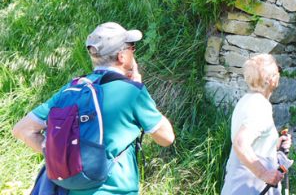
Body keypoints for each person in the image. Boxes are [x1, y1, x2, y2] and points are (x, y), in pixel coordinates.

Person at [12, 21, 175, 195]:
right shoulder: (131, 92)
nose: (133, 52)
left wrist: (61, 155)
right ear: (122, 56)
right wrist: (138, 89)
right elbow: (166, 138)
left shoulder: (70, 90)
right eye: (131, 48)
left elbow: (22, 130)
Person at [221, 53, 291, 195]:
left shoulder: (247, 100)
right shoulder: (260, 106)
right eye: (278, 71)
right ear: (271, 79)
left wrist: (275, 145)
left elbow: (253, 145)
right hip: (248, 188)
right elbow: (241, 143)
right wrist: (264, 174)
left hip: (239, 186)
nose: (279, 75)